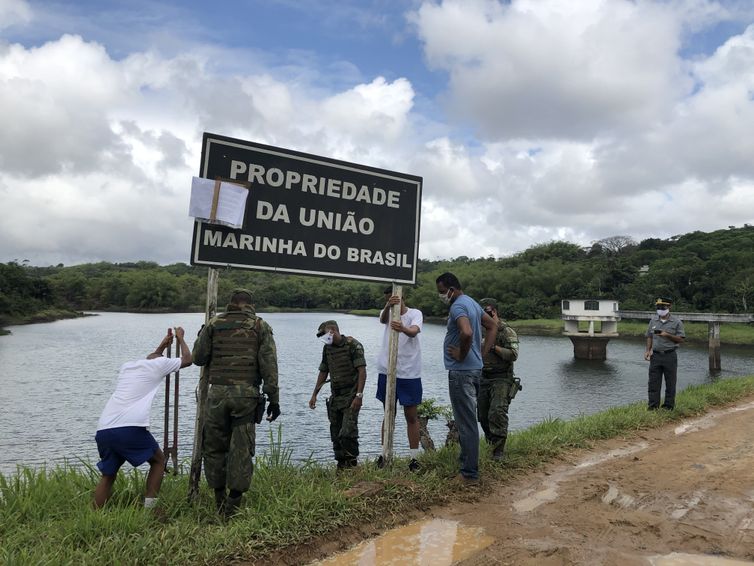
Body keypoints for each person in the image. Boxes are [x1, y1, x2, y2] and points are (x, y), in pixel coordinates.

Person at [192, 288, 280, 518]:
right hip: (245, 397)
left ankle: (219, 500)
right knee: (241, 450)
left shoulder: (213, 324)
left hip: (217, 395)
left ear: (231, 304)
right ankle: (233, 504)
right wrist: (274, 399)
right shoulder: (260, 326)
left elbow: (199, 358)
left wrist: (201, 334)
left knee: (214, 447)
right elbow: (269, 365)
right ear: (250, 305)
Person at [94, 327, 192, 509]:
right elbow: (187, 360)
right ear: (162, 361)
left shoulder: (128, 367)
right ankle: (152, 510)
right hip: (129, 427)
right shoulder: (159, 365)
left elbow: (151, 357)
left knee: (108, 475)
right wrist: (180, 339)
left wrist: (162, 345)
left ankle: (93, 515)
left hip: (104, 428)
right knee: (158, 461)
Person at [435, 273, 497, 483]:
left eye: (442, 291)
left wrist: (462, 354)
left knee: (466, 423)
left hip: (462, 374)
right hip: (475, 370)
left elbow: (467, 332)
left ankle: (469, 474)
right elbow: (492, 326)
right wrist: (483, 353)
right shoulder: (472, 303)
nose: (441, 295)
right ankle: (466, 462)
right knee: (468, 421)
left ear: (452, 289)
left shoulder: (458, 307)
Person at [375, 286, 423, 471]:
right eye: (388, 298)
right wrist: (388, 306)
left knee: (411, 415)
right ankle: (384, 455)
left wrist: (402, 327)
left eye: (395, 298)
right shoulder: (386, 312)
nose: (393, 301)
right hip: (387, 370)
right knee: (388, 414)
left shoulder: (415, 313)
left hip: (409, 372)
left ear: (403, 297)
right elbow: (382, 319)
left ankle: (414, 459)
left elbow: (413, 331)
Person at [309, 320, 366, 470]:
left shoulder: (353, 345)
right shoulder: (327, 349)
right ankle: (341, 466)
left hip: (351, 396)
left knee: (348, 432)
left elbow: (362, 371)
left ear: (333, 330)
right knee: (335, 434)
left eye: (326, 334)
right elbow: (323, 371)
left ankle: (352, 464)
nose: (325, 339)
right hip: (336, 398)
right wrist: (314, 394)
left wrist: (358, 395)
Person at [478, 298, 520, 461]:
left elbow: (513, 354)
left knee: (497, 412)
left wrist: (492, 346)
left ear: (494, 312)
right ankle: (491, 444)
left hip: (502, 378)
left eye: (487, 312)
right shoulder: (481, 330)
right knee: (482, 415)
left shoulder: (506, 331)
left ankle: (498, 450)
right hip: (484, 377)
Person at [644, 297, 685, 410]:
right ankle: (653, 407)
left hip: (669, 355)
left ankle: (668, 406)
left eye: (663, 307)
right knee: (653, 382)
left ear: (669, 307)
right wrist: (648, 350)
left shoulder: (677, 322)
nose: (660, 309)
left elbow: (681, 339)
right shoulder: (653, 321)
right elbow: (649, 336)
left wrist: (667, 335)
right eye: (658, 307)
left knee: (670, 383)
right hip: (655, 355)